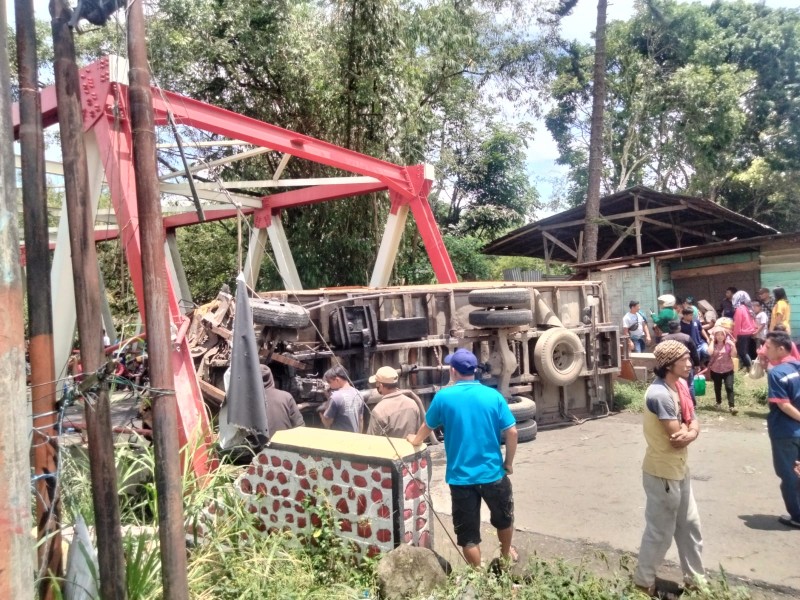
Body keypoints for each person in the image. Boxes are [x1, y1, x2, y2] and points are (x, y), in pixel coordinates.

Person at [406, 348, 518, 568]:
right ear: (474, 371)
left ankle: (477, 573)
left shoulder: (443, 397)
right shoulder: (493, 395)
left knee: (468, 535)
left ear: (453, 371)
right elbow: (512, 432)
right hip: (493, 473)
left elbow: (424, 431)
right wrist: (508, 463)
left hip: (461, 479)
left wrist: (413, 439)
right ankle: (505, 553)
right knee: (504, 518)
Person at [633, 341, 704, 596]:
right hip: (662, 472)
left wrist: (691, 430)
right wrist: (689, 429)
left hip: (679, 469)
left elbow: (691, 421)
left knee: (690, 526)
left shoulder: (681, 386)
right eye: (684, 359)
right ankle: (643, 582)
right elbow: (675, 438)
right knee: (660, 532)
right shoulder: (659, 394)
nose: (690, 363)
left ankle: (696, 581)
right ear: (668, 365)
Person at [762, 331, 800, 529]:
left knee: (789, 475)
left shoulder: (777, 373)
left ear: (781, 349)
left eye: (768, 347)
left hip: (785, 432)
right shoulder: (797, 367)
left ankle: (797, 516)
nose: (764, 350)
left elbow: (783, 404)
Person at [366, 366, 423, 438]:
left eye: (376, 383)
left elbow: (371, 440)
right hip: (411, 448)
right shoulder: (413, 404)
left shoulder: (378, 411)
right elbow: (417, 433)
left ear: (380, 385)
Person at [662, 320, 699, 405]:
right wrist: (697, 364)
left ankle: (675, 402)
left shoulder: (664, 339)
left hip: (671, 366)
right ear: (679, 327)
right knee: (689, 385)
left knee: (672, 384)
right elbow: (694, 352)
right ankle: (692, 403)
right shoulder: (686, 337)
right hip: (685, 364)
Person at [702, 327, 737, 414]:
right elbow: (709, 353)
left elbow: (734, 355)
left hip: (728, 369)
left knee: (729, 387)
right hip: (716, 369)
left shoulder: (728, 344)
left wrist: (733, 345)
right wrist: (712, 341)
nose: (720, 336)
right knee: (717, 387)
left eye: (722, 334)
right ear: (715, 336)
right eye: (717, 334)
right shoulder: (713, 344)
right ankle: (718, 402)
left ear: (725, 335)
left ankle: (731, 406)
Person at [261, 365, 304, 433]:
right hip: (282, 442)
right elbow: (300, 426)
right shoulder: (286, 397)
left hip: (253, 443)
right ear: (271, 378)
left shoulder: (242, 401)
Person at [320, 365, 365, 433]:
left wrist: (321, 413)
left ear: (337, 380)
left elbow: (327, 422)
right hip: (355, 437)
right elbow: (360, 419)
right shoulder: (358, 394)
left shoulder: (335, 397)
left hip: (340, 439)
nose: (329, 385)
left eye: (329, 382)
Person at [732, 291, 757, 370]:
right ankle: (747, 368)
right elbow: (753, 320)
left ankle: (750, 369)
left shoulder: (739, 309)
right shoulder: (748, 308)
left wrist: (734, 336)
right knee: (745, 351)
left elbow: (737, 324)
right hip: (749, 332)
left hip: (742, 333)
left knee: (742, 352)